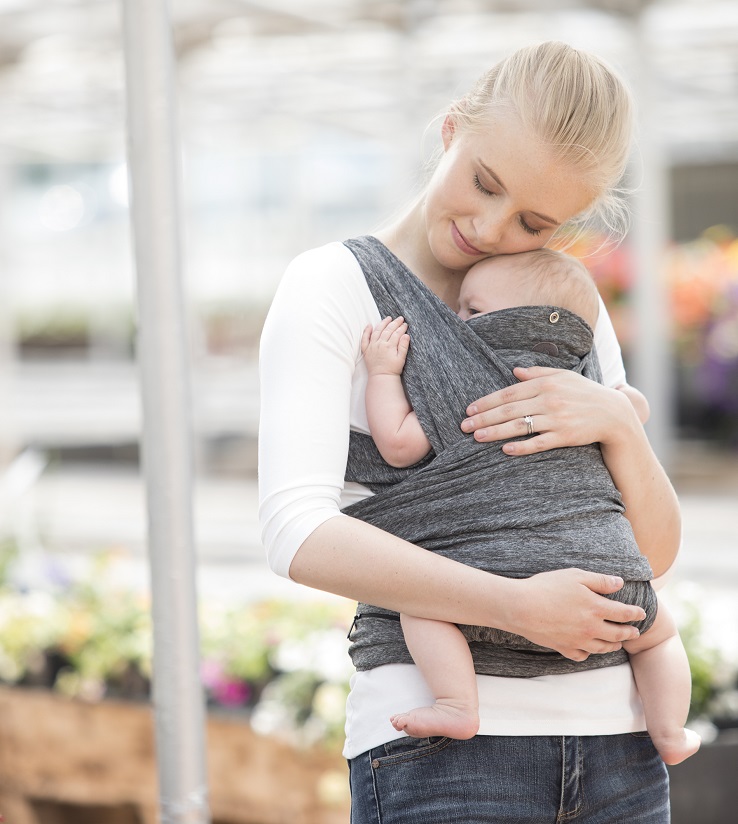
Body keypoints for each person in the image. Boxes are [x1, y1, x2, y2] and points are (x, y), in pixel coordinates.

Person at [259, 41, 683, 822]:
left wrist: (622, 431)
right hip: (445, 756)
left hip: (622, 745)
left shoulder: (563, 304)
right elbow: (295, 531)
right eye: (485, 183)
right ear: (451, 129)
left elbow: (647, 556)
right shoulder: (335, 286)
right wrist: (512, 605)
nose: (489, 227)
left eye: (534, 220)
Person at [360, 247, 700, 766]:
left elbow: (399, 444)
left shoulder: (459, 384)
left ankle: (457, 702)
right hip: (610, 583)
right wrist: (621, 406)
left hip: (493, 582)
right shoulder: (582, 391)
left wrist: (385, 374)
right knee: (657, 634)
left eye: (471, 310)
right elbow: (634, 406)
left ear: (511, 320)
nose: (454, 320)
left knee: (420, 604)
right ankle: (671, 730)